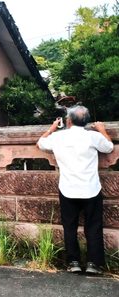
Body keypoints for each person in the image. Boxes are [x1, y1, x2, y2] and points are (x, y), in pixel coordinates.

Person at [37, 105, 113, 274]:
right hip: (91, 188)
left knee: (69, 227)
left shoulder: (58, 137)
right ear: (86, 121)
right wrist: (102, 130)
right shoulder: (93, 136)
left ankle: (73, 262)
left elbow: (41, 144)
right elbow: (109, 147)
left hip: (67, 188)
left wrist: (51, 129)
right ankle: (94, 264)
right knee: (93, 226)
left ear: (68, 120)